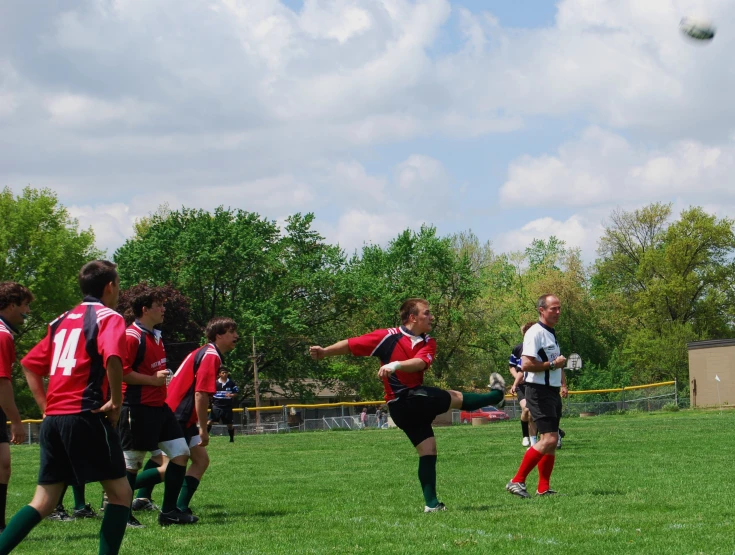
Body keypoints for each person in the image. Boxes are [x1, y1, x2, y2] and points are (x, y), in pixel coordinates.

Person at [310, 298, 506, 512]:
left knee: (428, 451)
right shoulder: (386, 337)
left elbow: (420, 364)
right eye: (427, 313)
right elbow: (351, 344)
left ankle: (432, 505)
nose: (432, 317)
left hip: (415, 402)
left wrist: (395, 365)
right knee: (454, 397)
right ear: (413, 317)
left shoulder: (428, 342)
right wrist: (325, 351)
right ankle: (495, 396)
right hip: (403, 402)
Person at [0, 260, 131, 555]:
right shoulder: (109, 317)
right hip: (86, 415)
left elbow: (30, 364)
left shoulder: (60, 320)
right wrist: (116, 402)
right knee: (121, 494)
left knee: (43, 501)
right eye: (118, 285)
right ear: (110, 286)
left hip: (55, 421)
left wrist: (47, 406)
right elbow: (112, 357)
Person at [118, 285, 197, 527]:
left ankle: (169, 512)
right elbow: (121, 373)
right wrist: (153, 380)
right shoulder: (131, 336)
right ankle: (121, 515)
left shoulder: (156, 335)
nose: (164, 309)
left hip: (159, 407)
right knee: (132, 463)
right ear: (145, 309)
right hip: (136, 407)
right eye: (159, 305)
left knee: (181, 454)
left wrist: (160, 378)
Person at [166, 317, 239, 518]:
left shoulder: (209, 353)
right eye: (231, 332)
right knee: (172, 463)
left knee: (200, 460)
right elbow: (200, 394)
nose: (236, 336)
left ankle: (180, 507)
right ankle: (122, 492)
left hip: (181, 413)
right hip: (178, 413)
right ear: (219, 335)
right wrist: (202, 428)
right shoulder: (210, 356)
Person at [506, 294, 568, 499]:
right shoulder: (535, 333)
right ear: (541, 310)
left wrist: (560, 380)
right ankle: (517, 480)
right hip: (538, 391)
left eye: (559, 308)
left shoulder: (550, 333)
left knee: (549, 440)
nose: (558, 312)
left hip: (550, 391)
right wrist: (552, 365)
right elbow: (526, 364)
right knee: (550, 439)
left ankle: (543, 488)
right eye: (553, 309)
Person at [0, 283, 31, 532]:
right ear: (11, 305)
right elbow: (2, 382)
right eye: (24, 305)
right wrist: (17, 421)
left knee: (3, 464)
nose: (27, 311)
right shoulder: (2, 335)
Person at [509, 322, 538, 448]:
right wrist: (517, 379)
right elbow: (512, 366)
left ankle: (535, 439)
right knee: (526, 409)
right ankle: (525, 436)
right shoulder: (518, 349)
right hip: (522, 385)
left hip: (535, 384)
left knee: (534, 412)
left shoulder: (539, 348)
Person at [207, 368, 239, 443]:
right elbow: (210, 393)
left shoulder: (231, 383)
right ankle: (205, 436)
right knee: (209, 421)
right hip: (216, 406)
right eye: (223, 373)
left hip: (227, 406)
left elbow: (236, 393)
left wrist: (231, 395)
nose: (225, 374)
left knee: (229, 424)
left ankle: (231, 439)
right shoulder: (215, 383)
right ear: (219, 374)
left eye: (226, 373)